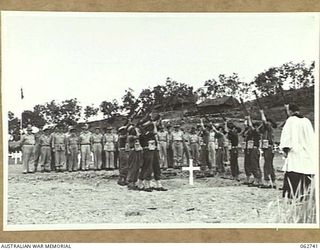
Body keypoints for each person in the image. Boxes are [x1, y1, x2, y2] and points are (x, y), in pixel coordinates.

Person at [280, 103, 315, 199]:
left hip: (295, 152)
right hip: (307, 153)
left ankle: (293, 196)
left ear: (290, 111)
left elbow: (286, 137)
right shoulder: (307, 121)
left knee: (294, 172)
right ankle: (304, 195)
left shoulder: (290, 120)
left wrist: (285, 149)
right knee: (305, 173)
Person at [259, 110, 277, 188]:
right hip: (266, 148)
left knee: (267, 165)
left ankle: (267, 181)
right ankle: (273, 181)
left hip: (269, 148)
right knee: (269, 164)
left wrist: (262, 113)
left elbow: (264, 121)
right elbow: (260, 128)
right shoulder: (266, 131)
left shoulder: (270, 129)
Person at [243, 116, 263, 187]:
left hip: (255, 149)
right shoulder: (252, 134)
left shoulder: (257, 132)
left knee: (255, 165)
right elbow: (246, 129)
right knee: (252, 165)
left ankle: (258, 180)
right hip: (251, 149)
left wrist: (249, 119)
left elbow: (251, 127)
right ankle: (256, 179)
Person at [126, 123, 143, 189]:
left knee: (137, 167)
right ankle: (130, 182)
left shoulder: (133, 136)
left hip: (137, 151)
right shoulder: (130, 137)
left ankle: (134, 181)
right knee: (133, 166)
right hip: (133, 151)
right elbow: (138, 136)